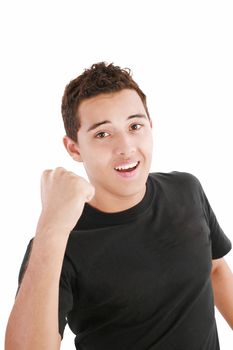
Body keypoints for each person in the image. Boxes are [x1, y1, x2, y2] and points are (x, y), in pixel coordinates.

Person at [5, 62, 233, 350]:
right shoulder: (57, 244)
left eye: (134, 126)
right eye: (103, 134)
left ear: (150, 127)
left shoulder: (187, 190)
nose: (125, 147)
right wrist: (51, 226)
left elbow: (215, 270)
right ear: (74, 148)